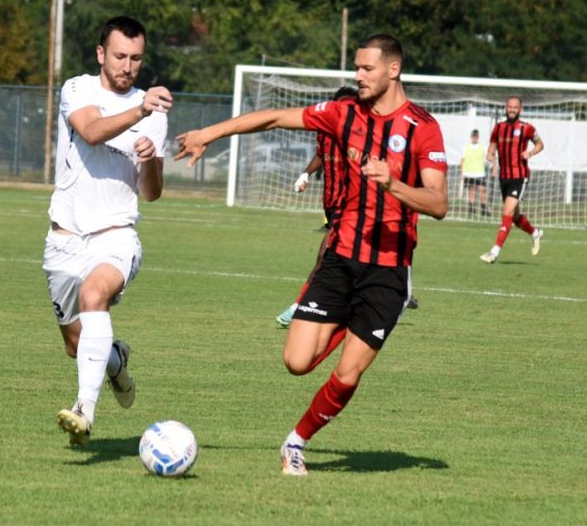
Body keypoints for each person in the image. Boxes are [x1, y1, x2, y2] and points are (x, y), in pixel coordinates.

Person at [175, 34, 448, 476]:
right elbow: (274, 118)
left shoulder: (422, 127)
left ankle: (296, 441)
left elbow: (438, 204)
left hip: (388, 272)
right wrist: (209, 133)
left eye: (367, 68)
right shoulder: (343, 113)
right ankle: (349, 321)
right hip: (340, 260)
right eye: (356, 68)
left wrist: (393, 184)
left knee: (348, 373)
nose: (358, 76)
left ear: (393, 70)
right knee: (296, 362)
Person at [45, 16, 171, 446]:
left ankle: (84, 409)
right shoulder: (78, 89)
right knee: (75, 345)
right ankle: (115, 360)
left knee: (94, 295)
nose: (127, 66)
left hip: (116, 234)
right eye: (120, 56)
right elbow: (91, 131)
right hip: (64, 237)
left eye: (136, 58)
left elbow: (150, 193)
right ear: (101, 54)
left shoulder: (153, 112)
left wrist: (151, 160)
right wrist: (140, 111)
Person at [276, 86, 354, 327]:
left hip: (350, 204)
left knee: (324, 254)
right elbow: (321, 154)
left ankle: (298, 307)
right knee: (343, 259)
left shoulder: (358, 134)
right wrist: (305, 174)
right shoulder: (324, 129)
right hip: (330, 203)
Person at [480, 96, 544, 263]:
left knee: (507, 212)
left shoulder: (527, 128)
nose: (512, 110)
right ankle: (535, 233)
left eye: (515, 107)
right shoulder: (498, 127)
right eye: (510, 107)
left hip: (519, 176)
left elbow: (540, 144)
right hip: (504, 177)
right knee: (514, 217)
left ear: (520, 109)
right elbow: (492, 145)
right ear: (505, 108)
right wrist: (490, 154)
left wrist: (530, 153)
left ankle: (494, 252)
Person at [461, 128, 491, 217]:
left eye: (476, 136)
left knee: (482, 190)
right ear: (471, 137)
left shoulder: (483, 146)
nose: (475, 138)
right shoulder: (466, 147)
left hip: (480, 173)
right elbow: (462, 160)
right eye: (473, 136)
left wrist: (490, 163)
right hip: (468, 173)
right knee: (471, 190)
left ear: (478, 137)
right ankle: (471, 209)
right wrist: (462, 173)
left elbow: (487, 157)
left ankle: (484, 208)